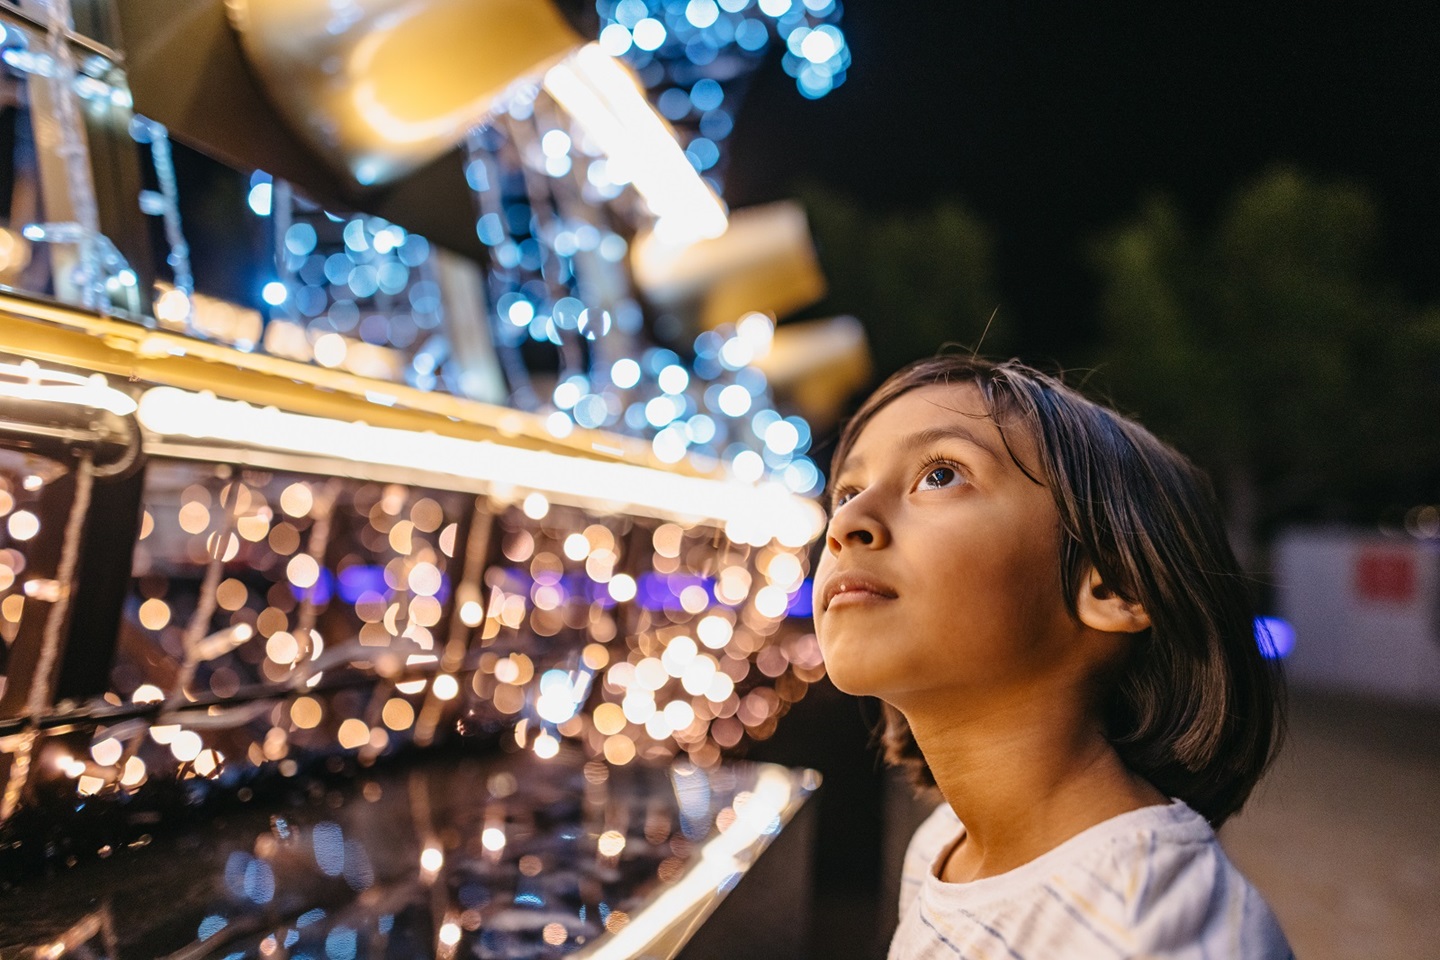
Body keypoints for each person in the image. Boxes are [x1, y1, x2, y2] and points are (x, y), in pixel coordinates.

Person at [812, 355, 1292, 958]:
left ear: (1115, 586)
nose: (847, 521)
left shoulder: (1154, 929)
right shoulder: (943, 847)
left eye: (939, 475)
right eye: (848, 491)